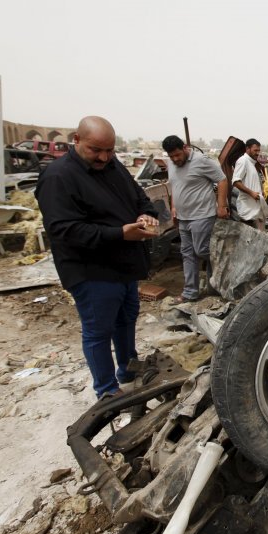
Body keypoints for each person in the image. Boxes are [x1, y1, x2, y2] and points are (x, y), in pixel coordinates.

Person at [35, 116, 160, 399]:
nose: (104, 157)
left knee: (126, 317)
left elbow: (142, 199)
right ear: (76, 140)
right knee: (98, 330)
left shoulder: (113, 166)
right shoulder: (58, 176)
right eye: (96, 150)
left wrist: (145, 216)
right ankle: (106, 390)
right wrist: (119, 234)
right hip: (91, 270)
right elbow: (63, 230)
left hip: (124, 264)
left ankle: (128, 368)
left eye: (110, 150)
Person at [162, 135, 229, 302]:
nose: (175, 159)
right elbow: (175, 186)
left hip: (202, 215)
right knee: (187, 254)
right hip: (183, 218)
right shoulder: (171, 163)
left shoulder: (201, 161)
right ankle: (190, 292)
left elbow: (222, 180)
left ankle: (220, 282)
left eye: (177, 155)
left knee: (203, 251)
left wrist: (221, 206)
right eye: (171, 156)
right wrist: (173, 207)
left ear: (185, 148)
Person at [231, 138, 266, 230]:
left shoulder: (253, 163)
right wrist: (251, 193)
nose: (257, 153)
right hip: (248, 209)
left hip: (256, 208)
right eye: (255, 150)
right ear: (247, 149)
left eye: (259, 150)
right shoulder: (243, 161)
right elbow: (236, 182)